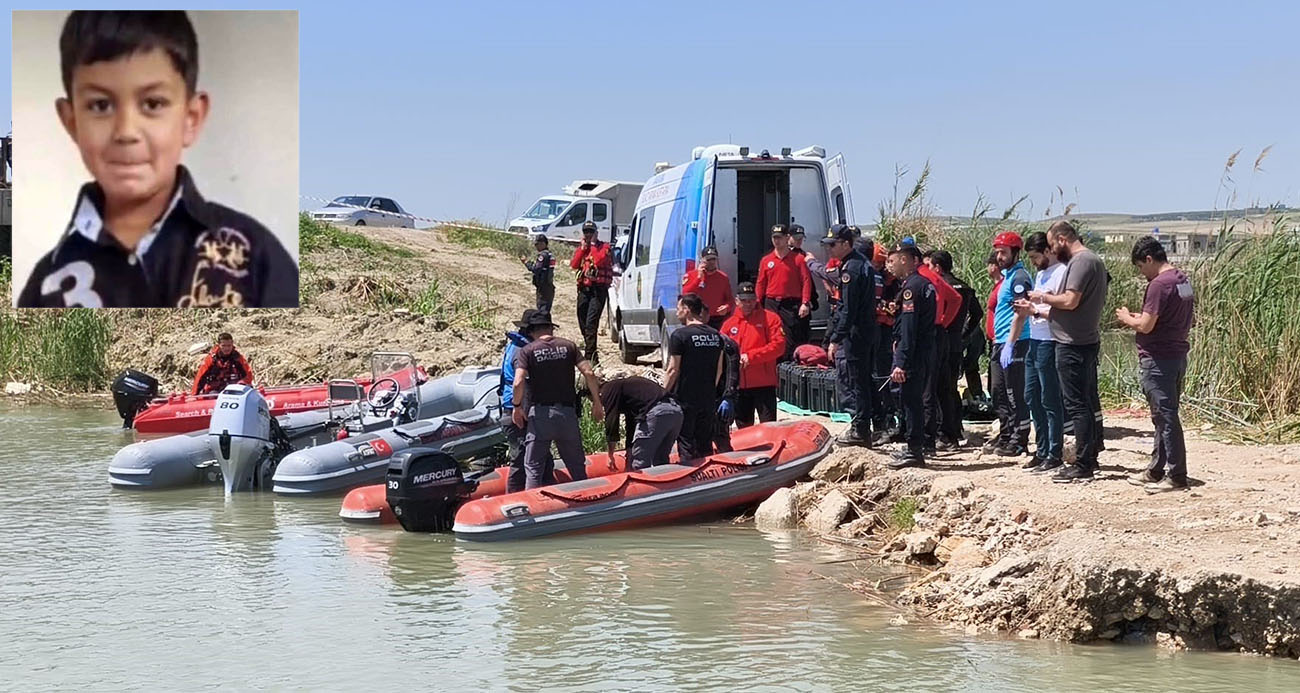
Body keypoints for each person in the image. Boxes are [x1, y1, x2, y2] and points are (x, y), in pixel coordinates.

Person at [18, 11, 296, 308]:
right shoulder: (47, 284)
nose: (126, 132)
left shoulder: (253, 256)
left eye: (152, 103)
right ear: (71, 122)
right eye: (100, 105)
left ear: (191, 118)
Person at [1028, 220, 1108, 483]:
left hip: (1073, 343)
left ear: (1062, 239)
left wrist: (1042, 297)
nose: (1052, 251)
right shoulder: (1092, 261)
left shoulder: (1081, 262)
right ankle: (1089, 456)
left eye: (1052, 245)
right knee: (1082, 402)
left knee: (1076, 405)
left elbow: (1070, 301)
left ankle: (1083, 462)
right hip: (1082, 340)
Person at [1116, 236, 1194, 493]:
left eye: (1140, 267)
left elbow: (1147, 325)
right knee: (1163, 416)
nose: (1141, 273)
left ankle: (1177, 474)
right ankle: (1156, 468)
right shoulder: (1182, 279)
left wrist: (1128, 318)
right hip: (1176, 354)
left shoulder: (1159, 285)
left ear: (1149, 259)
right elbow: (1167, 318)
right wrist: (1143, 318)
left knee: (1165, 416)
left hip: (1158, 358)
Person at [511, 312, 604, 489]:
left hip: (540, 416)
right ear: (551, 328)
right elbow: (589, 373)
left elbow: (518, 382)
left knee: (533, 468)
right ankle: (588, 502)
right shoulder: (569, 346)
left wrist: (517, 406)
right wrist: (597, 403)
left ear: (531, 332)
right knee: (577, 467)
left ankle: (535, 508)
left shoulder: (527, 351)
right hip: (567, 415)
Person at [1013, 232, 1066, 474]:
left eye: (1035, 256)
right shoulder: (1041, 273)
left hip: (1049, 340)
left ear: (1047, 251)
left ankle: (1054, 452)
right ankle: (1041, 448)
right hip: (1035, 339)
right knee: (1031, 394)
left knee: (1049, 398)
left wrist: (1035, 310)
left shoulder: (1061, 272)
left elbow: (1062, 310)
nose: (1034, 262)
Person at [823, 225, 880, 446]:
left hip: (858, 332)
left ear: (846, 244)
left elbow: (848, 309)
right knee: (864, 380)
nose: (830, 250)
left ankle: (861, 429)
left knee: (857, 381)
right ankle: (871, 424)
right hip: (866, 330)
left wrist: (836, 339)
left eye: (833, 245)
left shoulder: (851, 270)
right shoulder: (858, 263)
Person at [887, 243, 936, 468]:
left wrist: (901, 362)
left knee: (911, 400)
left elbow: (908, 328)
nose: (891, 265)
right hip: (922, 350)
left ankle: (915, 450)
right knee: (912, 399)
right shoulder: (918, 284)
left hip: (914, 354)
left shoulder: (912, 288)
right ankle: (913, 448)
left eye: (894, 259)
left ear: (905, 259)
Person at [988, 231, 1033, 457]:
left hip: (1015, 342)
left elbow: (1021, 313)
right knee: (999, 392)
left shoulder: (1019, 278)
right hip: (1001, 341)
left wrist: (1010, 343)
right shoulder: (1008, 277)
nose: (999, 256)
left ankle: (1019, 439)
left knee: (1015, 393)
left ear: (1015, 253)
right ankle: (1007, 434)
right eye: (997, 252)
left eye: (1003, 252)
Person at [664, 293, 725, 460]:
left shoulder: (680, 336)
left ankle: (690, 478)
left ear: (687, 309)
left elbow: (672, 370)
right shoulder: (715, 335)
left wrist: (662, 393)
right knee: (705, 442)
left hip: (685, 398)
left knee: (686, 442)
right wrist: (709, 390)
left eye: (678, 309)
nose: (676, 313)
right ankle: (709, 478)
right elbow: (719, 370)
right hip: (707, 397)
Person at [720, 281, 787, 427]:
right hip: (739, 386)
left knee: (769, 427)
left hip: (764, 384)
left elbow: (779, 346)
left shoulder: (770, 318)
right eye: (744, 300)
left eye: (751, 300)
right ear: (737, 301)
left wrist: (750, 357)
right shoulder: (729, 324)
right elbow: (721, 352)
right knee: (744, 428)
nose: (748, 304)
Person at [500, 309, 553, 492]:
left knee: (542, 456)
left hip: (521, 409)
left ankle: (547, 494)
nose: (549, 334)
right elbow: (519, 383)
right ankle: (514, 499)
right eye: (545, 329)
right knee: (521, 458)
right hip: (518, 411)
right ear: (531, 331)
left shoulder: (516, 346)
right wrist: (517, 407)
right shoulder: (522, 351)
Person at [925, 250, 971, 449]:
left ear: (937, 267)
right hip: (956, 342)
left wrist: (943, 324)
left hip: (941, 339)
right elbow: (976, 313)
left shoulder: (939, 286)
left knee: (938, 390)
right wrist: (964, 333)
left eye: (930, 265)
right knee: (951, 389)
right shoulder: (965, 287)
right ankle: (955, 430)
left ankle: (945, 432)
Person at [599, 375, 683, 470]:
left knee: (639, 463)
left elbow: (612, 422)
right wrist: (629, 450)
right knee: (661, 461)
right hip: (675, 410)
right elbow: (631, 424)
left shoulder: (608, 390)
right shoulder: (627, 390)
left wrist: (610, 454)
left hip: (656, 412)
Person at [755, 224, 813, 359]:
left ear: (787, 238)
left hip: (791, 304)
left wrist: (805, 302)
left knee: (790, 336)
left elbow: (806, 281)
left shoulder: (798, 259)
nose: (777, 241)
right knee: (772, 334)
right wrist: (757, 302)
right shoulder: (766, 260)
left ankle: (788, 365)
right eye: (774, 238)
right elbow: (761, 283)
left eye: (780, 238)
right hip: (771, 303)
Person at [569, 220, 614, 364]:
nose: (588, 234)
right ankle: (590, 350)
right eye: (586, 232)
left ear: (596, 233)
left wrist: (593, 245)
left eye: (591, 232)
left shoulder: (604, 247)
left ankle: (590, 357)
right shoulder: (583, 248)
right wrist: (583, 249)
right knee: (582, 321)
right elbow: (574, 264)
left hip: (598, 290)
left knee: (591, 323)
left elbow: (599, 260)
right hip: (584, 290)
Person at [872, 243, 900, 436]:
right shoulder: (876, 278)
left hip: (885, 332)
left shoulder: (894, 282)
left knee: (882, 375)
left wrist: (886, 310)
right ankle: (883, 419)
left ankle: (888, 419)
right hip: (879, 329)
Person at [681, 245, 734, 330]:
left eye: (713, 259)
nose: (711, 262)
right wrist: (698, 278)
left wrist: (726, 307)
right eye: (708, 259)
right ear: (702, 260)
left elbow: (730, 300)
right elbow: (685, 295)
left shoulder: (723, 278)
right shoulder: (691, 275)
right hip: (697, 318)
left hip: (716, 319)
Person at [521, 234, 555, 313]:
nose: (536, 246)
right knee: (546, 309)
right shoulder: (550, 254)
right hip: (548, 286)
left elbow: (536, 269)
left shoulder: (543, 256)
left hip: (543, 287)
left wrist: (526, 262)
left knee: (542, 310)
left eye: (537, 244)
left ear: (543, 243)